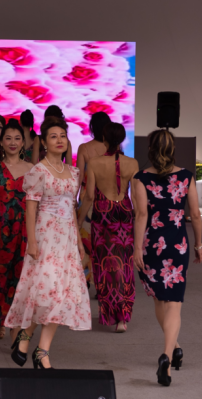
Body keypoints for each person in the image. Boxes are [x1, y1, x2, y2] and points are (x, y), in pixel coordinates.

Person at [5, 117, 91, 370]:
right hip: (45, 237)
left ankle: (41, 351)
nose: (59, 140)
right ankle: (25, 336)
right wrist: (32, 242)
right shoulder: (38, 171)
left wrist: (78, 241)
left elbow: (71, 208)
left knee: (61, 295)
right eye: (53, 136)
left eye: (62, 135)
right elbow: (30, 209)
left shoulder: (73, 172)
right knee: (45, 292)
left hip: (67, 239)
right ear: (43, 142)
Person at [132, 129, 202, 387]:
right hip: (177, 244)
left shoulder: (140, 178)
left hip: (152, 244)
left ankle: (173, 350)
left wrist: (137, 248)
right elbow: (195, 214)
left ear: (150, 150)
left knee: (160, 300)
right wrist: (198, 244)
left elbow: (141, 215)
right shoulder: (186, 176)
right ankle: (168, 354)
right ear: (172, 149)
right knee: (174, 303)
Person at [77, 123, 139, 332]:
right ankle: (123, 317)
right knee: (124, 264)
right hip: (124, 213)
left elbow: (89, 196)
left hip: (102, 215)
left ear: (104, 139)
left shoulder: (94, 163)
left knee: (104, 266)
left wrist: (79, 221)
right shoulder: (132, 163)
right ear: (121, 139)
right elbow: (136, 199)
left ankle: (110, 313)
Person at [0, 119, 34, 341]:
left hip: (24, 229)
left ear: (23, 143)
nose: (12, 142)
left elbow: (36, 204)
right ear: (1, 142)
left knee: (19, 278)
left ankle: (14, 325)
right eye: (8, 138)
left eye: (17, 138)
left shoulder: (32, 169)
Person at [76, 112, 112, 287]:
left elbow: (78, 177)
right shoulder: (113, 149)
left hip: (87, 200)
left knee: (85, 241)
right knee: (104, 243)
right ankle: (102, 282)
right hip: (108, 200)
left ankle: (85, 279)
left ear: (92, 127)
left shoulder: (84, 148)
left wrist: (73, 200)